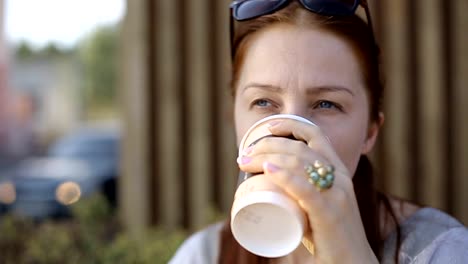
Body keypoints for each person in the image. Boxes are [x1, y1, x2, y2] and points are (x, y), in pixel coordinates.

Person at [170, 0, 468, 263]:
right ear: (234, 117)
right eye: (263, 102)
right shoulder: (203, 255)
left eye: (326, 103)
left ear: (370, 132)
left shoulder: (441, 250)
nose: (291, 134)